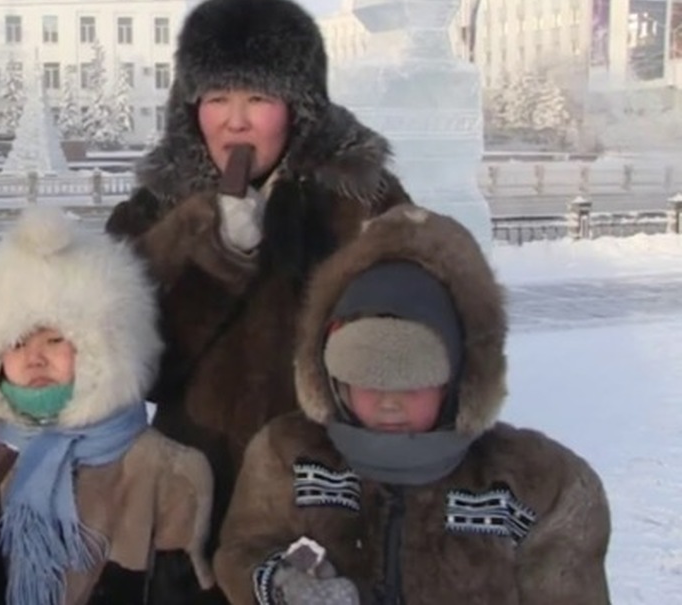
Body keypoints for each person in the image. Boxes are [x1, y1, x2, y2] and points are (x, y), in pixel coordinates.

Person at [105, 0, 413, 546]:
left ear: (300, 106)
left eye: (259, 97)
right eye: (217, 97)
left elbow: (412, 355)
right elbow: (136, 374)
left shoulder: (359, 199)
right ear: (190, 106)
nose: (237, 122)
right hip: (192, 495)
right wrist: (219, 256)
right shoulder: (155, 211)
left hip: (326, 494)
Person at [214, 205, 611, 604]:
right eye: (367, 381)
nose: (389, 403)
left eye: (414, 383)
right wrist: (276, 582)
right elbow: (243, 549)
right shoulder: (288, 458)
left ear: (460, 377)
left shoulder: (537, 485)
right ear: (331, 377)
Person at [0, 206, 215, 604]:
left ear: (106, 347)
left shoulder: (167, 470)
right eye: (17, 343)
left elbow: (182, 591)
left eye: (55, 340)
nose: (35, 358)